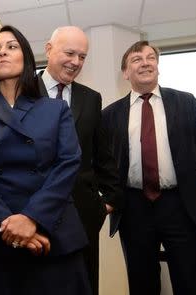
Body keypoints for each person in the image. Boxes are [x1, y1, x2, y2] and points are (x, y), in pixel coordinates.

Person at [0, 25, 91, 295]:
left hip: (51, 232)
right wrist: (9, 224)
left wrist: (31, 218)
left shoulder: (55, 109)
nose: (2, 52)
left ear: (26, 57)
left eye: (11, 47)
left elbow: (68, 164)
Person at [102, 40, 196, 295]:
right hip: (133, 208)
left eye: (151, 57)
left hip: (181, 205)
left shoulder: (186, 102)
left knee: (190, 280)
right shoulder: (110, 115)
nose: (146, 62)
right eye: (136, 59)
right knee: (142, 282)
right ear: (125, 72)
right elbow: (106, 164)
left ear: (158, 66)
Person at [37, 26, 122, 294]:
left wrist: (106, 202)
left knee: (82, 285)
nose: (76, 62)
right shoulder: (21, 91)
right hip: (32, 213)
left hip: (83, 216)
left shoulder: (91, 98)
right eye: (70, 53)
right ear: (49, 49)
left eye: (82, 56)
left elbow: (102, 155)